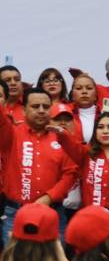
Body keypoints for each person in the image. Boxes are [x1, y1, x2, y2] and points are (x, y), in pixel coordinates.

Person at [0, 88, 78, 243]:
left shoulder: (62, 138)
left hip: (52, 213)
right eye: (35, 106)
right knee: (15, 259)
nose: (41, 110)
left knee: (54, 259)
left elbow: (70, 174)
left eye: (46, 106)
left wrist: (48, 198)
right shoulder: (11, 134)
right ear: (23, 110)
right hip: (15, 213)